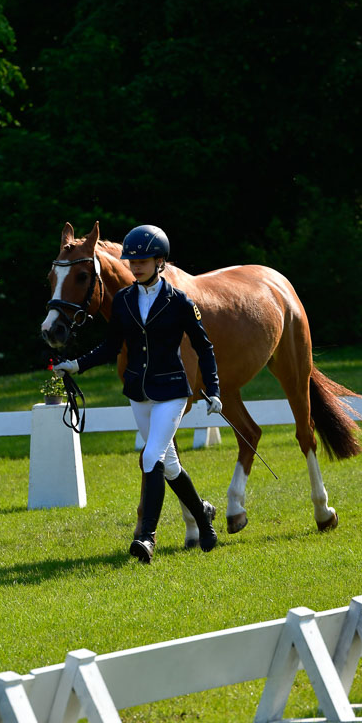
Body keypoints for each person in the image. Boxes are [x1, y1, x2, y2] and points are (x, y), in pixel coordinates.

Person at [54, 224, 222, 563]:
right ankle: (202, 515)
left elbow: (204, 347)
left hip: (173, 392)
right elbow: (112, 346)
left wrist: (214, 388)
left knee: (151, 458)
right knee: (170, 466)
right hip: (138, 393)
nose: (136, 265)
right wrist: (76, 365)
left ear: (160, 261)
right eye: (132, 260)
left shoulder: (179, 301)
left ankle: (146, 538)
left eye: (144, 260)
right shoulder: (125, 301)